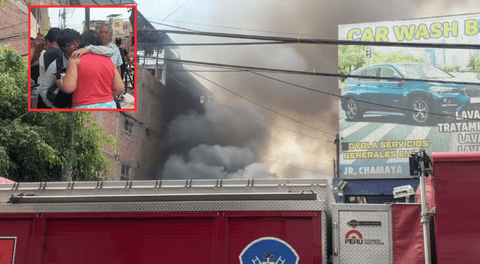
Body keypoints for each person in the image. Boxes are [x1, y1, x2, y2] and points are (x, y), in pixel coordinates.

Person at [38, 28, 114, 109]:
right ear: (64, 47)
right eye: (72, 43)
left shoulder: (85, 55)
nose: (76, 45)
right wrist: (55, 108)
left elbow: (110, 51)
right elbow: (44, 89)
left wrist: (87, 49)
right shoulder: (56, 65)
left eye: (77, 42)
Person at [60, 30, 124, 109]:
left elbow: (69, 88)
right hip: (109, 105)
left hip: (83, 106)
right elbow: (120, 88)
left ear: (81, 43)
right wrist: (105, 96)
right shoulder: (109, 60)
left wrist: (59, 81)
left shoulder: (75, 59)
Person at [99, 24, 123, 108]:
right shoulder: (94, 47)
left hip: (110, 87)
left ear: (110, 35)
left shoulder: (115, 49)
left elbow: (118, 67)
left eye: (106, 32)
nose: (103, 35)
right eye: (101, 32)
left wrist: (118, 86)